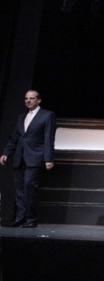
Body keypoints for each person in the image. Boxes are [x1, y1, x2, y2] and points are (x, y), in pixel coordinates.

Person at [0, 89, 55, 228]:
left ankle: (31, 219)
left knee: (29, 186)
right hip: (20, 157)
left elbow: (49, 137)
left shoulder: (47, 115)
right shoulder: (21, 117)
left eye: (31, 98)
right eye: (26, 99)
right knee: (19, 190)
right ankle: (20, 218)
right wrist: (6, 152)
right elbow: (15, 137)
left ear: (39, 100)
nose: (28, 101)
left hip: (35, 156)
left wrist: (49, 158)